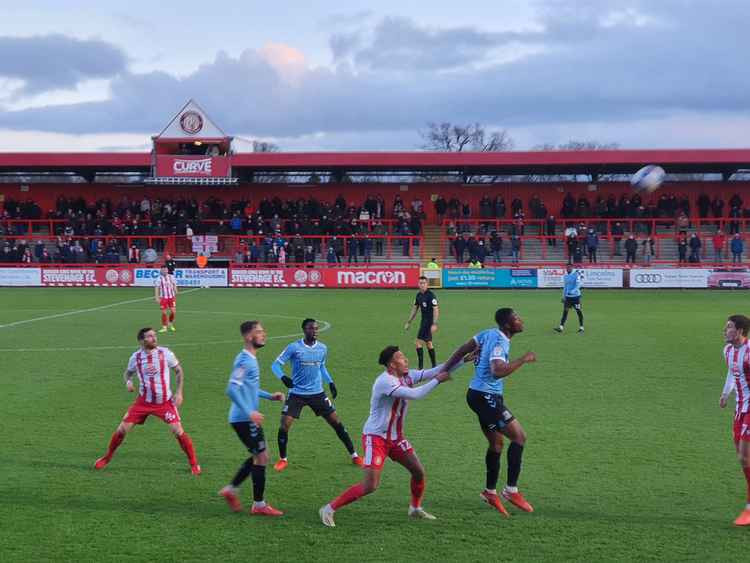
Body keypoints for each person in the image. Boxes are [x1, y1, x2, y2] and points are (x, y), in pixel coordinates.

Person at [319, 345, 467, 527]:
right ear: (391, 364)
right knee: (370, 486)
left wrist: (464, 360)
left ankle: (415, 509)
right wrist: (437, 380)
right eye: (401, 357)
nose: (406, 359)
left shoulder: (407, 376)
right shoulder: (385, 381)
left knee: (418, 472)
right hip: (376, 438)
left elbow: (437, 370)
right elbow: (416, 394)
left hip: (396, 438)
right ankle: (329, 509)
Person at [442, 308, 536, 517]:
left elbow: (463, 348)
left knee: (496, 443)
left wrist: (446, 369)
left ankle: (489, 492)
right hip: (486, 397)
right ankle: (511, 491)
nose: (521, 320)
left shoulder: (487, 333)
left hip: (479, 395)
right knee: (519, 437)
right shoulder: (500, 341)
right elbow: (497, 370)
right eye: (516, 318)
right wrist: (523, 359)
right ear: (507, 325)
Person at [94, 327, 200, 474]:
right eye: (150, 336)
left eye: (154, 335)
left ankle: (194, 463)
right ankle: (107, 457)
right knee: (122, 429)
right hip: (143, 402)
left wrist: (179, 392)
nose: (154, 338)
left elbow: (179, 371)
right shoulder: (135, 357)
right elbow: (127, 373)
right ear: (142, 340)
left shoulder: (165, 353)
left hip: (164, 402)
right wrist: (128, 382)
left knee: (178, 431)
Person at [272, 319, 362, 471]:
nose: (315, 331)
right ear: (304, 330)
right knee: (285, 424)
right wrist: (283, 377)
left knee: (336, 422)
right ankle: (283, 459)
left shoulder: (322, 348)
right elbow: (275, 365)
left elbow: (322, 367)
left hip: (317, 393)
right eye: (311, 328)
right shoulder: (294, 347)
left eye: (316, 328)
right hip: (297, 393)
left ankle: (354, 455)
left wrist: (331, 382)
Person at [219, 321, 286, 516]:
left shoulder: (249, 358)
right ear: (249, 337)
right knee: (262, 456)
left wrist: (269, 396)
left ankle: (231, 490)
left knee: (260, 455)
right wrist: (250, 412)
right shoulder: (244, 360)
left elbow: (248, 387)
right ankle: (258, 504)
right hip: (244, 418)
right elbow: (231, 389)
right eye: (259, 331)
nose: (263, 334)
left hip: (245, 418)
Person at [719, 315, 750, 526]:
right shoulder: (727, 351)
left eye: (729, 327)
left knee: (744, 456)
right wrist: (725, 393)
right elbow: (732, 373)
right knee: (743, 459)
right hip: (739, 410)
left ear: (740, 331)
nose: (725, 330)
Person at [404, 276, 439, 369]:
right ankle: (434, 366)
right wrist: (409, 321)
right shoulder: (418, 295)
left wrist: (434, 323)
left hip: (429, 322)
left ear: (427, 284)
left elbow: (436, 309)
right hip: (423, 321)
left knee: (418, 343)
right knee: (428, 343)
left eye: (424, 283)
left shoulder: (431, 295)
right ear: (418, 284)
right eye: (420, 283)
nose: (422, 285)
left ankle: (420, 367)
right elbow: (414, 309)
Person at [554, 264, 584, 333]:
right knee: (565, 312)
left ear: (572, 268)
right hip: (568, 298)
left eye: (569, 267)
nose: (568, 269)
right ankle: (561, 327)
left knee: (578, 312)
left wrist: (572, 291)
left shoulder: (576, 275)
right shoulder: (565, 276)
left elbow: (578, 285)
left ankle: (581, 328)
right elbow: (565, 287)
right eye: (567, 267)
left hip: (576, 297)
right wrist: (563, 296)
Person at [154, 266, 177, 333]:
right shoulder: (159, 278)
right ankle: (164, 327)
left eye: (165, 270)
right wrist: (156, 297)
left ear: (167, 270)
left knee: (173, 312)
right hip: (163, 297)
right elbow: (156, 288)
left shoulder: (171, 277)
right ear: (161, 271)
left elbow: (174, 284)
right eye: (163, 270)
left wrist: (176, 289)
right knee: (164, 312)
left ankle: (170, 323)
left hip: (171, 297)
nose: (164, 271)